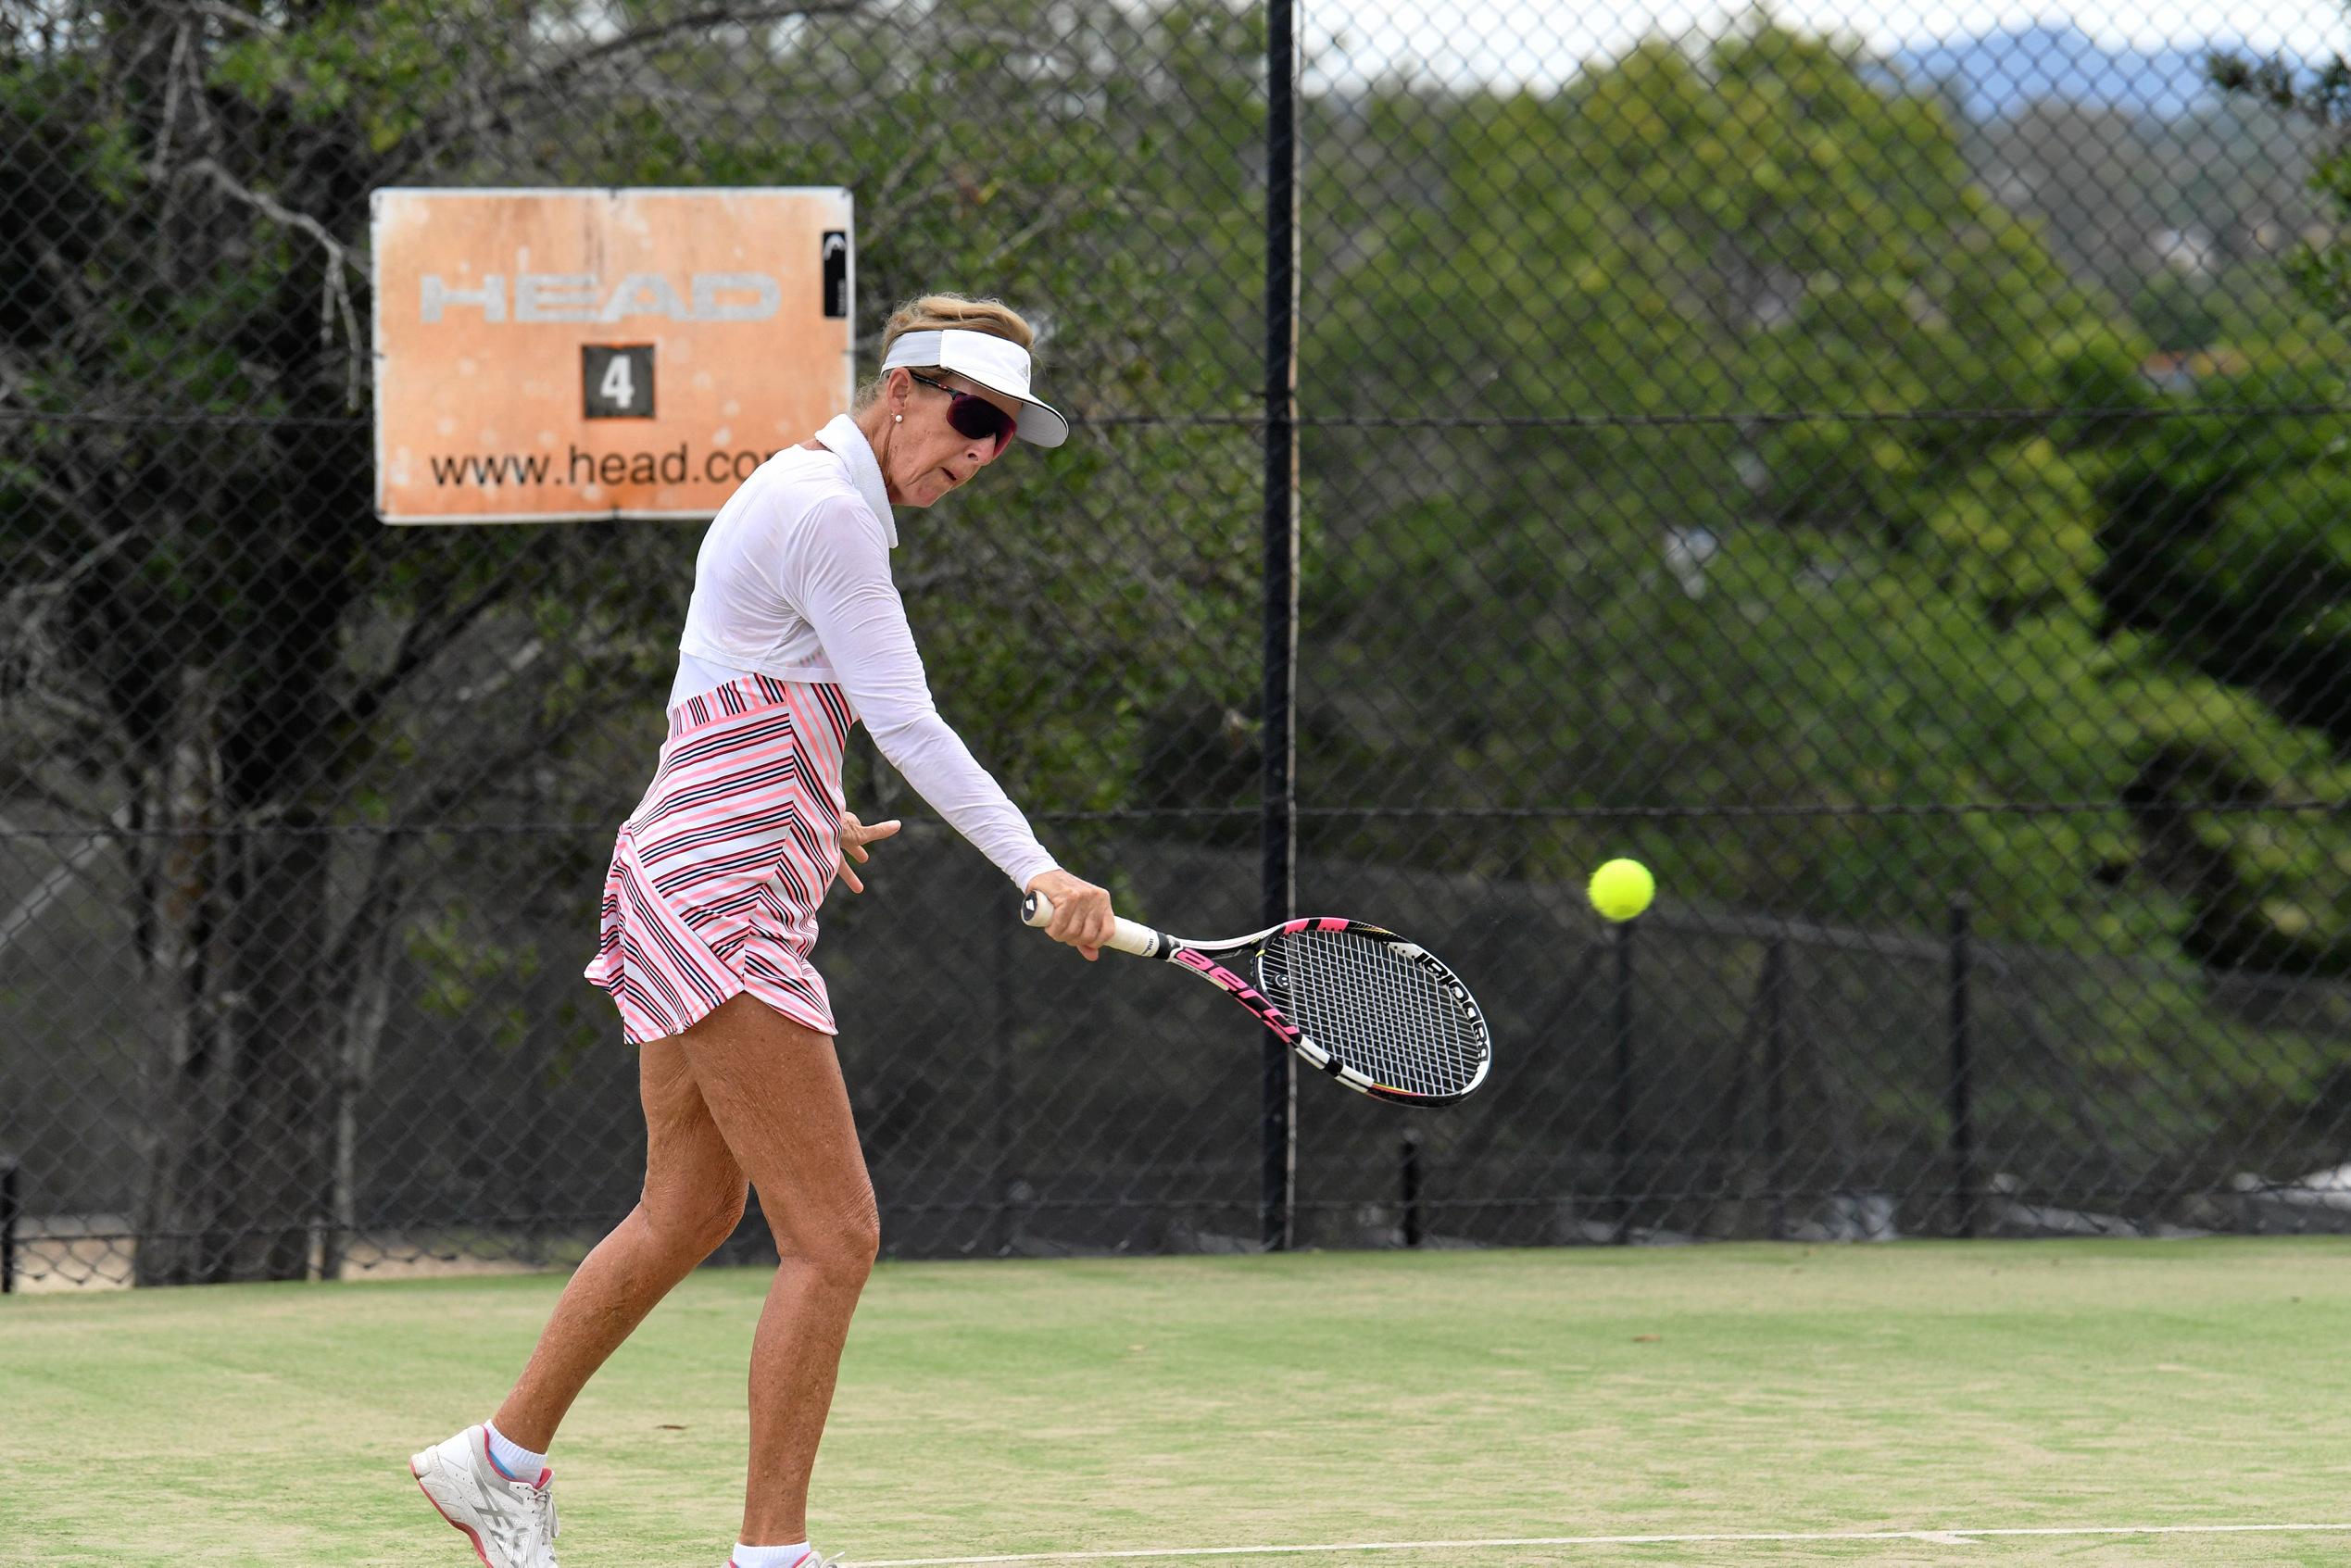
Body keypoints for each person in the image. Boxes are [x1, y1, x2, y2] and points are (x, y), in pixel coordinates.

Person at [409, 293, 1117, 1568]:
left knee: (685, 1209)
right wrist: (1039, 866)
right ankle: (773, 1558)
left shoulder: (797, 494)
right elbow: (905, 717)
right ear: (897, 388)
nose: (978, 451)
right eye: (968, 416)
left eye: (1003, 435)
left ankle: (495, 1460)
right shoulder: (829, 509)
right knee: (834, 1236)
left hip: (691, 872)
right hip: (719, 899)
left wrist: (811, 796)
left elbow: (721, 678)